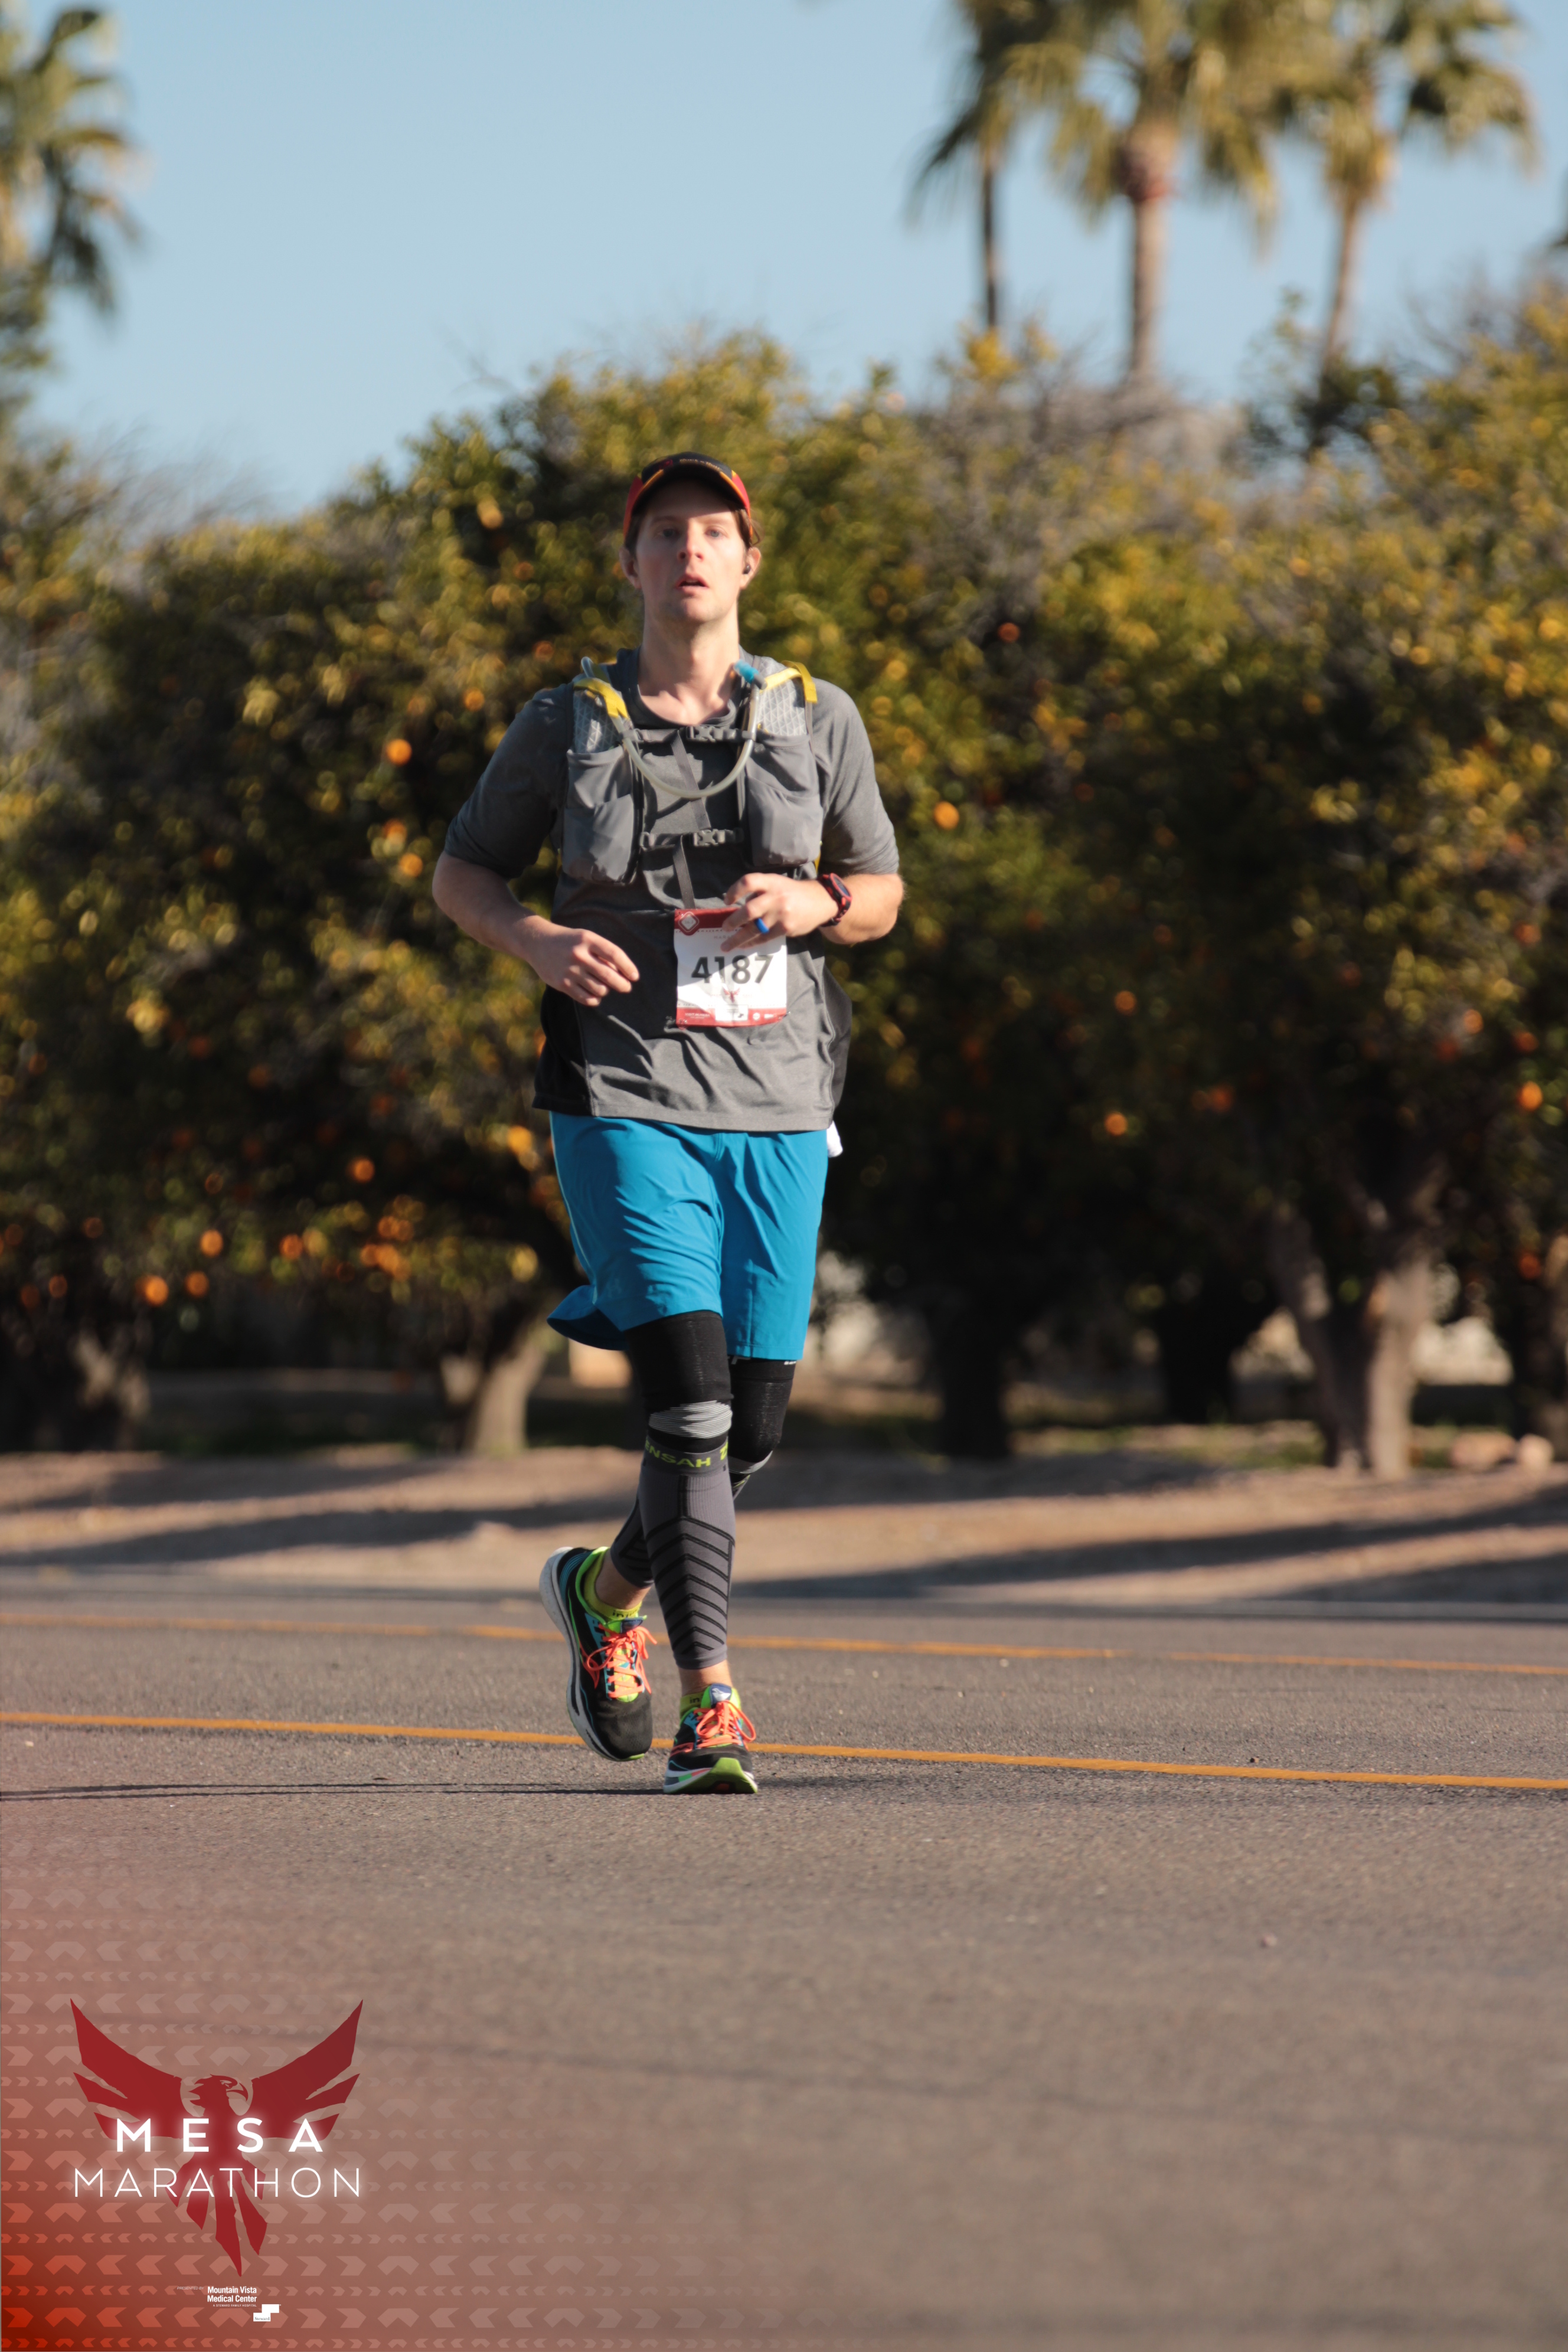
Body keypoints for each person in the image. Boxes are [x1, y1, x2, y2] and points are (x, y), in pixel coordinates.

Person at [433, 452, 901, 1792]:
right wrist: (534, 940)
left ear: (748, 562)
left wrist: (816, 904)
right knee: (688, 1408)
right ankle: (715, 1704)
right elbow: (463, 874)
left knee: (748, 1431)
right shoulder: (565, 723)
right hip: (623, 1093)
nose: (689, 550)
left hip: (781, 1103)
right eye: (664, 532)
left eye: (713, 531)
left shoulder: (817, 716)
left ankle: (602, 1590)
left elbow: (880, 892)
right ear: (631, 562)